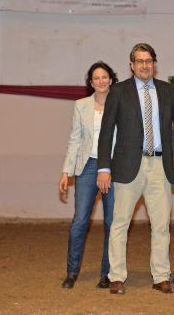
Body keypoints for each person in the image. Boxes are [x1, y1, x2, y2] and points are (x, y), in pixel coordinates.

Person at [96, 43, 174, 295]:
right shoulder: (118, 92)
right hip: (127, 166)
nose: (144, 65)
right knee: (120, 224)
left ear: (154, 64)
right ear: (131, 65)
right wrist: (103, 168)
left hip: (160, 166)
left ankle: (161, 276)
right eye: (139, 61)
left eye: (148, 61)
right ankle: (116, 276)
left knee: (161, 225)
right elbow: (106, 132)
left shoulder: (166, 91)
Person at [59, 61, 118, 289]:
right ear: (91, 82)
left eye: (105, 77)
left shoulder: (120, 104)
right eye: (96, 78)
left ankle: (107, 274)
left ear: (111, 80)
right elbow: (75, 140)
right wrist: (66, 171)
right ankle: (72, 272)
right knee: (79, 222)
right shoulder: (81, 105)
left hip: (113, 169)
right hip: (86, 168)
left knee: (112, 223)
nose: (101, 81)